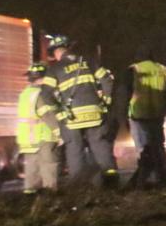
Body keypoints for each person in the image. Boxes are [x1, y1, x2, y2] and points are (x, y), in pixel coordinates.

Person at [40, 34, 118, 187]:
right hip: (95, 113)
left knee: (74, 149)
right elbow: (107, 80)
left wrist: (60, 113)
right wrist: (106, 102)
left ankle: (78, 186)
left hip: (72, 118)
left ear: (56, 52)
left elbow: (46, 94)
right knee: (100, 146)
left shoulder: (55, 68)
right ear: (68, 48)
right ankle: (111, 182)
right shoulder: (88, 61)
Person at [122, 46, 166, 187]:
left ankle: (142, 181)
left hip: (138, 115)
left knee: (143, 149)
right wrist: (162, 110)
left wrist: (125, 116)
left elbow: (126, 95)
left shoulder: (134, 69)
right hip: (157, 115)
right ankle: (163, 178)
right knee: (158, 147)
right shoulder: (163, 70)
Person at [17, 63, 60, 194]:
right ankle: (50, 195)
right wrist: (58, 132)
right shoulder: (41, 93)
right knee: (49, 166)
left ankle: (29, 195)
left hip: (27, 137)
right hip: (43, 135)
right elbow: (46, 114)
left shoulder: (25, 93)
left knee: (31, 168)